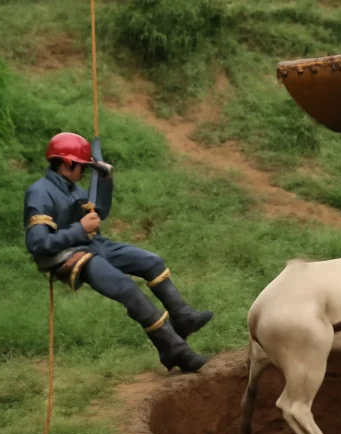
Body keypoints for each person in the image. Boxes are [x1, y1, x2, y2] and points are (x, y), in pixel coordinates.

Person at [23, 132, 211, 373]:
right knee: (126, 288)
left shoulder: (73, 189)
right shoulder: (39, 192)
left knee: (151, 262)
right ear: (67, 163)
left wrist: (105, 181)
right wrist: (80, 229)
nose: (84, 172)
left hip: (93, 243)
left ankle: (182, 317)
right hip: (67, 254)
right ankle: (172, 348)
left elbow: (99, 212)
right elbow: (37, 244)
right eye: (83, 167)